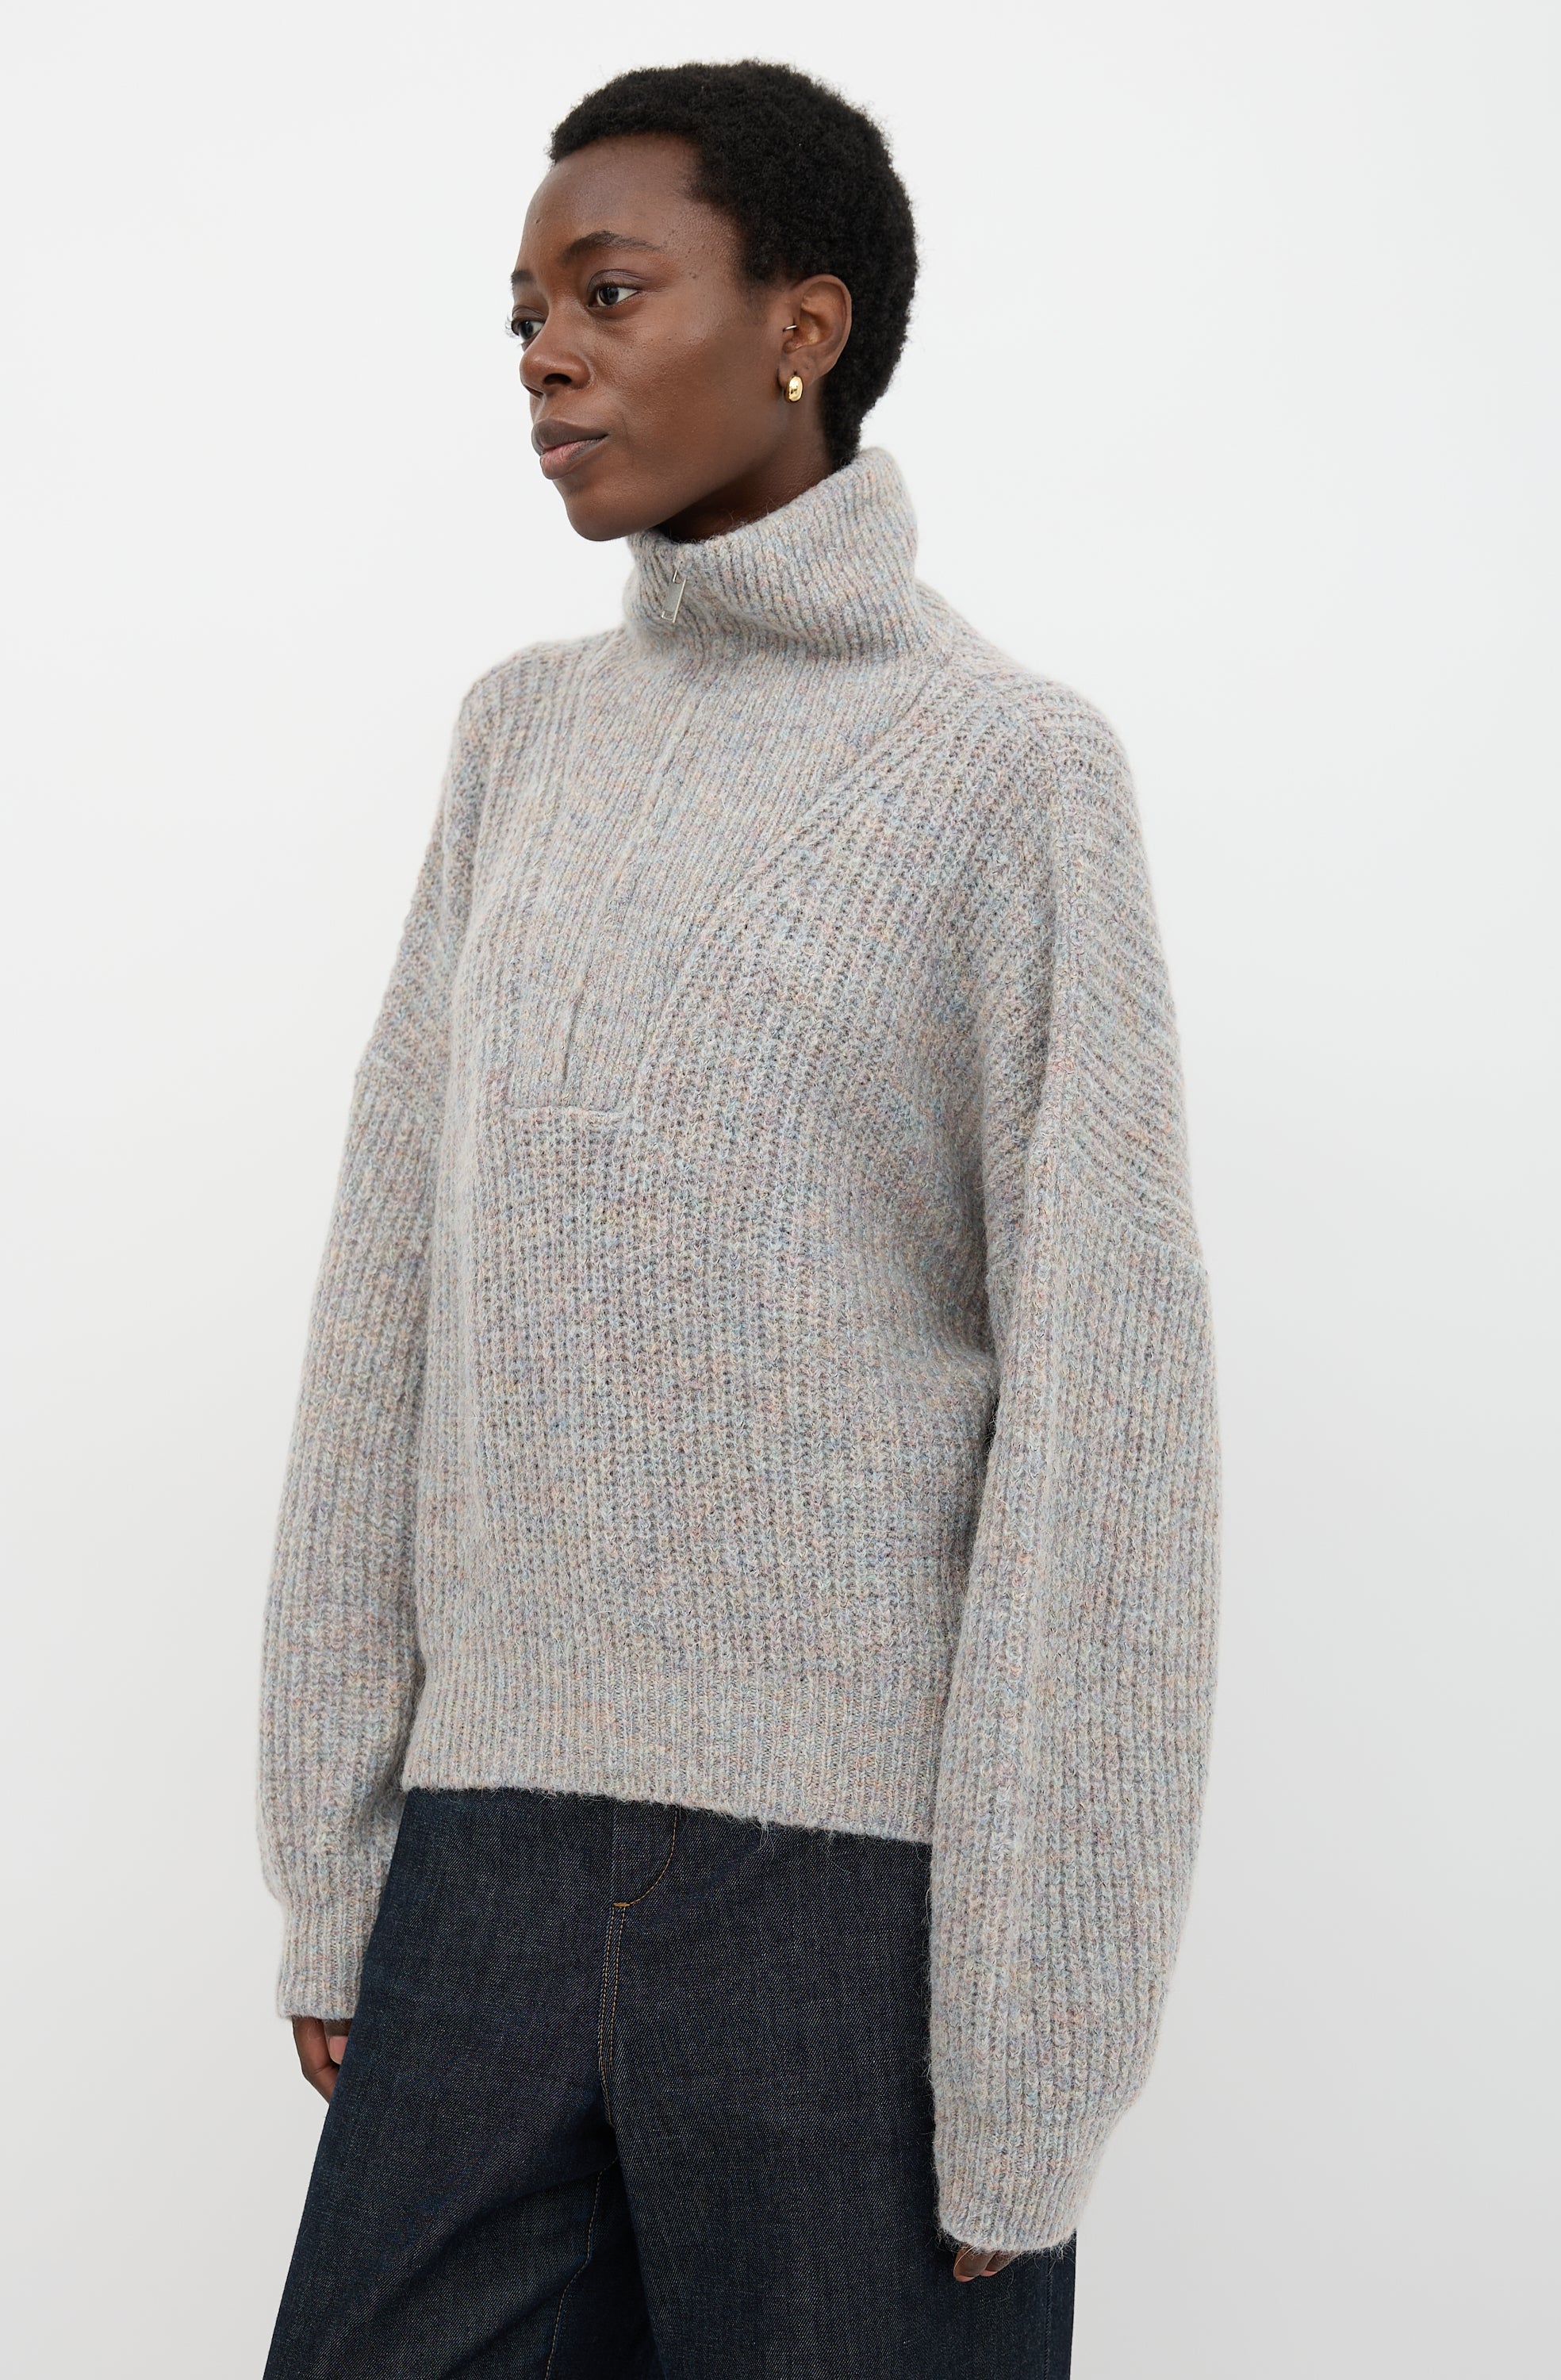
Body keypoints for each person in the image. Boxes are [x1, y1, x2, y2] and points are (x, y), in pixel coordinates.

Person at [257, 58, 1220, 2380]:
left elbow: (1109, 1428)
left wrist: (1031, 2052)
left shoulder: (1010, 770)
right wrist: (342, 1852)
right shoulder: (519, 739)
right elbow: (388, 1300)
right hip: (484, 1873)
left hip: (842, 1919)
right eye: (522, 315)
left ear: (805, 324)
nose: (544, 358)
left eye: (607, 294)